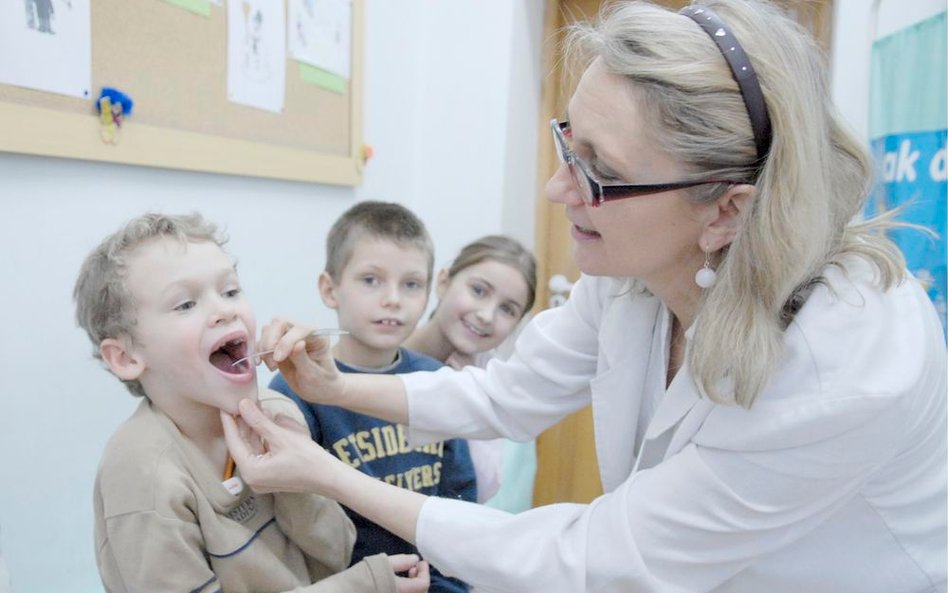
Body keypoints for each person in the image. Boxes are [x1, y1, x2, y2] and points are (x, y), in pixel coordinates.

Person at [223, 1, 948, 592]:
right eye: (568, 142)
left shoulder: (840, 364)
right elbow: (506, 395)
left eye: (597, 171)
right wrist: (337, 384)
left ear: (725, 210)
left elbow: (595, 558)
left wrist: (329, 475)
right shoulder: (633, 274)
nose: (557, 187)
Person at [73, 212, 429, 593]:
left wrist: (296, 477)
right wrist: (360, 587)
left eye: (230, 292)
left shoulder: (276, 411)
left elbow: (336, 551)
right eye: (185, 305)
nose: (226, 311)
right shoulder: (141, 475)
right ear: (126, 358)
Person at [268, 201, 476, 593]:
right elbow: (296, 520)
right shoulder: (296, 389)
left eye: (411, 284)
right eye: (371, 280)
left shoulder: (434, 381)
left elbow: (459, 496)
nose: (393, 299)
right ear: (330, 290)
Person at [404, 235, 537, 508]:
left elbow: (488, 491)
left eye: (507, 309)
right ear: (443, 282)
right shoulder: (385, 354)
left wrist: (468, 388)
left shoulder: (499, 386)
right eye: (478, 291)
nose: (487, 315)